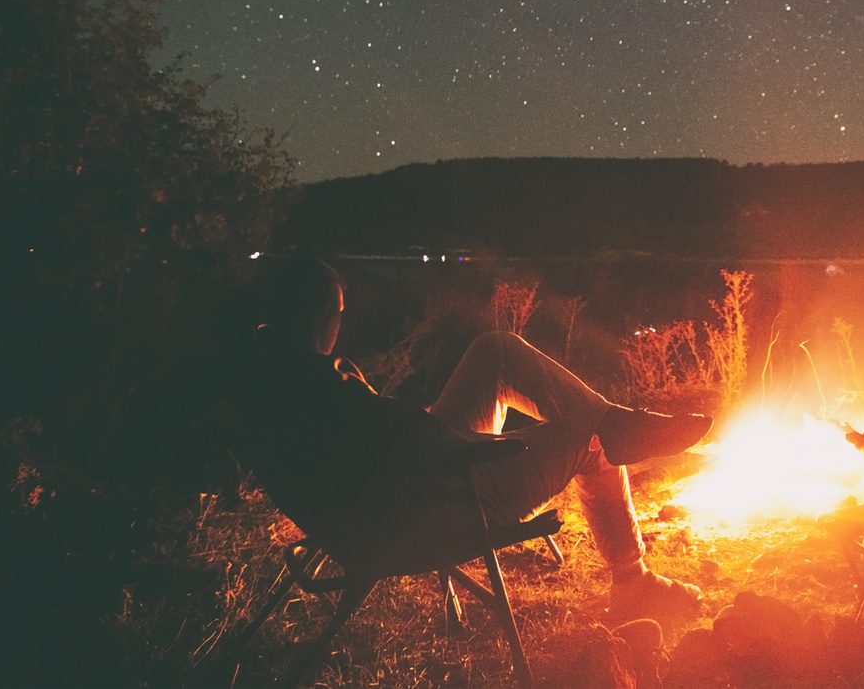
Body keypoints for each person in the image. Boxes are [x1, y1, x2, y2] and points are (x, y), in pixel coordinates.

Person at [247, 256, 711, 621]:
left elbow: (384, 437)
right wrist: (486, 446)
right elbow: (407, 440)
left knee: (495, 350)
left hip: (384, 502)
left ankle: (615, 423)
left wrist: (432, 428)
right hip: (439, 503)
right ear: (320, 315)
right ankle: (633, 582)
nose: (339, 328)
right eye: (338, 315)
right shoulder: (322, 379)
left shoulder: (265, 374)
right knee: (590, 439)